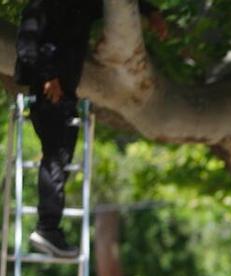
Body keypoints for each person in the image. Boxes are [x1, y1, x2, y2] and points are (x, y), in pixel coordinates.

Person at [14, 0, 166, 258]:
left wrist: (151, 11)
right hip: (48, 94)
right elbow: (26, 48)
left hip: (66, 94)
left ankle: (49, 227)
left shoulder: (81, 6)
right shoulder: (40, 6)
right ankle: (47, 228)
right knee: (55, 157)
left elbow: (115, 5)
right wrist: (48, 77)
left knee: (60, 159)